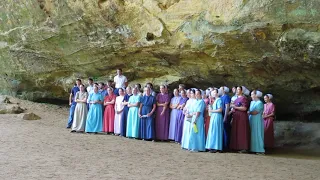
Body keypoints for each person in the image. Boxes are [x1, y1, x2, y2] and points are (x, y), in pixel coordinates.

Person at [230, 86, 250, 153]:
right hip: (236, 116)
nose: (237, 91)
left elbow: (244, 108)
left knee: (242, 131)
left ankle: (243, 147)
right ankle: (236, 146)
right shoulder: (236, 99)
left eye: (238, 89)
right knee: (236, 131)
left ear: (242, 91)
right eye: (237, 89)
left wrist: (235, 107)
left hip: (241, 116)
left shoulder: (244, 98)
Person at [249, 90, 265, 155]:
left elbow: (255, 112)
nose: (251, 96)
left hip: (257, 120)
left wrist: (248, 112)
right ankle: (252, 148)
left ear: (256, 95)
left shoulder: (260, 103)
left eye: (252, 94)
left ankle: (260, 149)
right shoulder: (252, 102)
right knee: (252, 133)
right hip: (251, 119)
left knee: (257, 133)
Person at [219, 86, 231, 151]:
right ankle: (222, 145)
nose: (219, 90)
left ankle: (226, 146)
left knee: (225, 131)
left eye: (221, 89)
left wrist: (225, 116)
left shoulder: (226, 97)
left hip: (224, 115)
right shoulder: (220, 97)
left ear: (224, 90)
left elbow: (227, 107)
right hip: (221, 115)